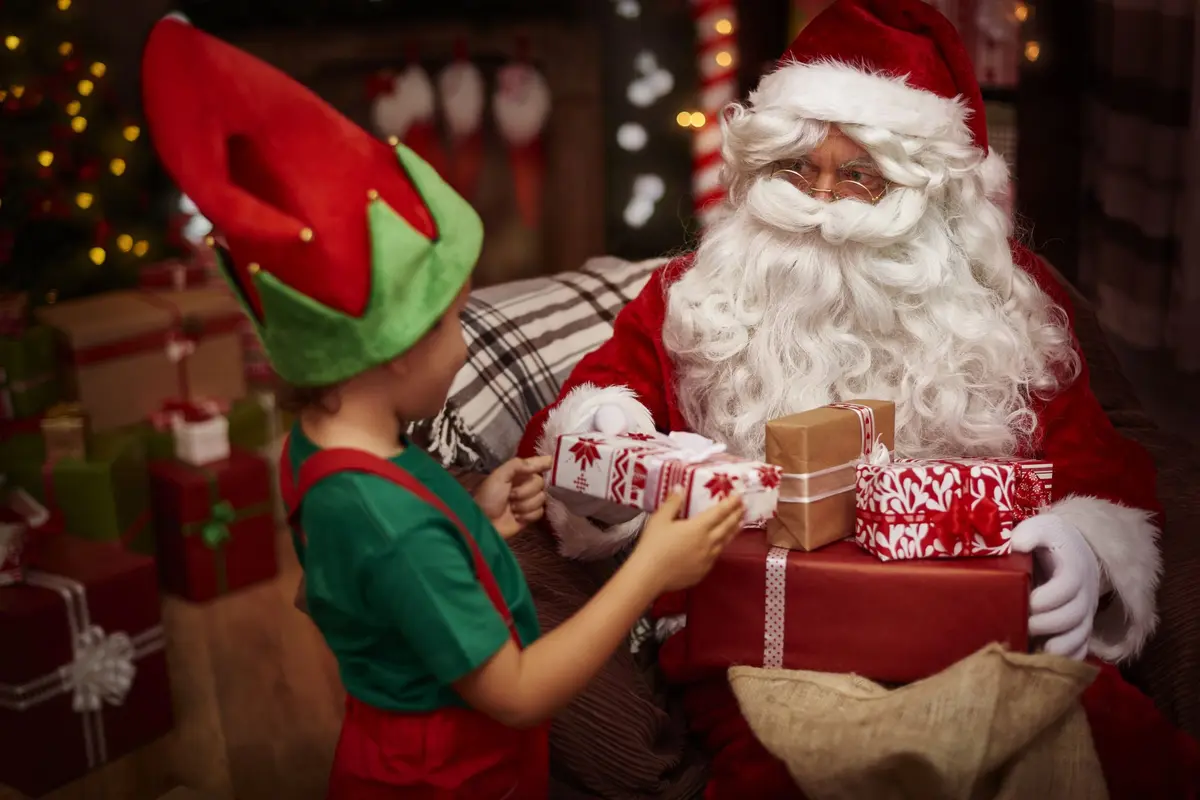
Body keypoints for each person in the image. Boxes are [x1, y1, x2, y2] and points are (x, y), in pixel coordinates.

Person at [518, 0, 1200, 797]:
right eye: (797, 170)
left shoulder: (1005, 304)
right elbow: (588, 410)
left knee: (1112, 752)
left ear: (931, 196)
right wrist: (611, 438)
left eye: (860, 177)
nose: (823, 205)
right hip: (765, 647)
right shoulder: (691, 297)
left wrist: (1084, 547)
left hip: (983, 630)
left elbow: (1100, 457)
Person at [141, 15, 746, 799]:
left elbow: (397, 594)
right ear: (391, 350)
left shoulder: (326, 451)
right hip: (454, 780)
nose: (467, 345)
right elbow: (519, 691)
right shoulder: (393, 526)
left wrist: (482, 517)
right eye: (453, 322)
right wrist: (652, 570)